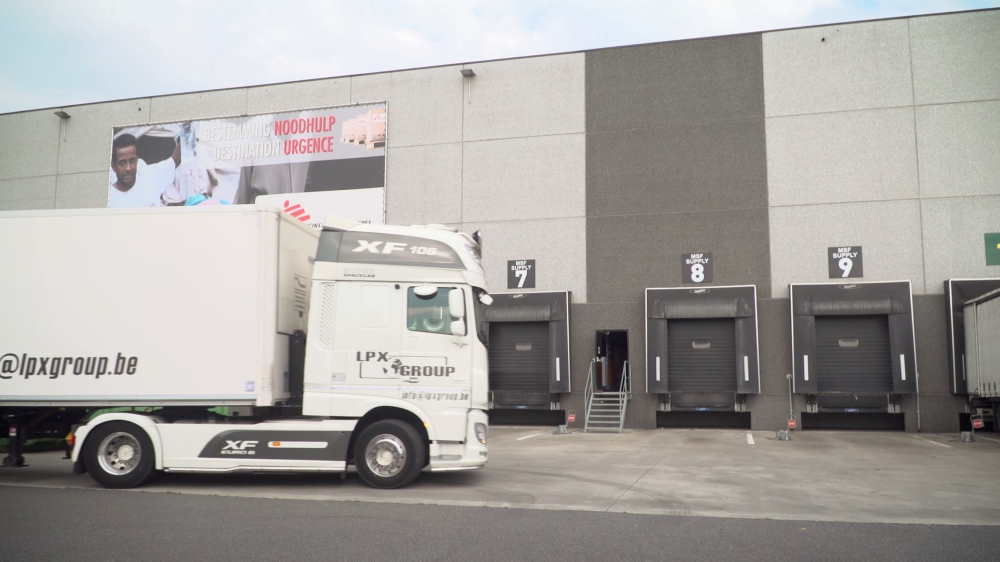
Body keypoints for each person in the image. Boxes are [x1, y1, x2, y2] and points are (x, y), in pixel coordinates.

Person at [108, 133, 181, 207]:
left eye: (132, 160)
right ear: (113, 166)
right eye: (122, 163)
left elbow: (175, 161)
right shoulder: (109, 200)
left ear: (137, 160)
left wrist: (186, 132)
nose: (128, 168)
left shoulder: (149, 176)